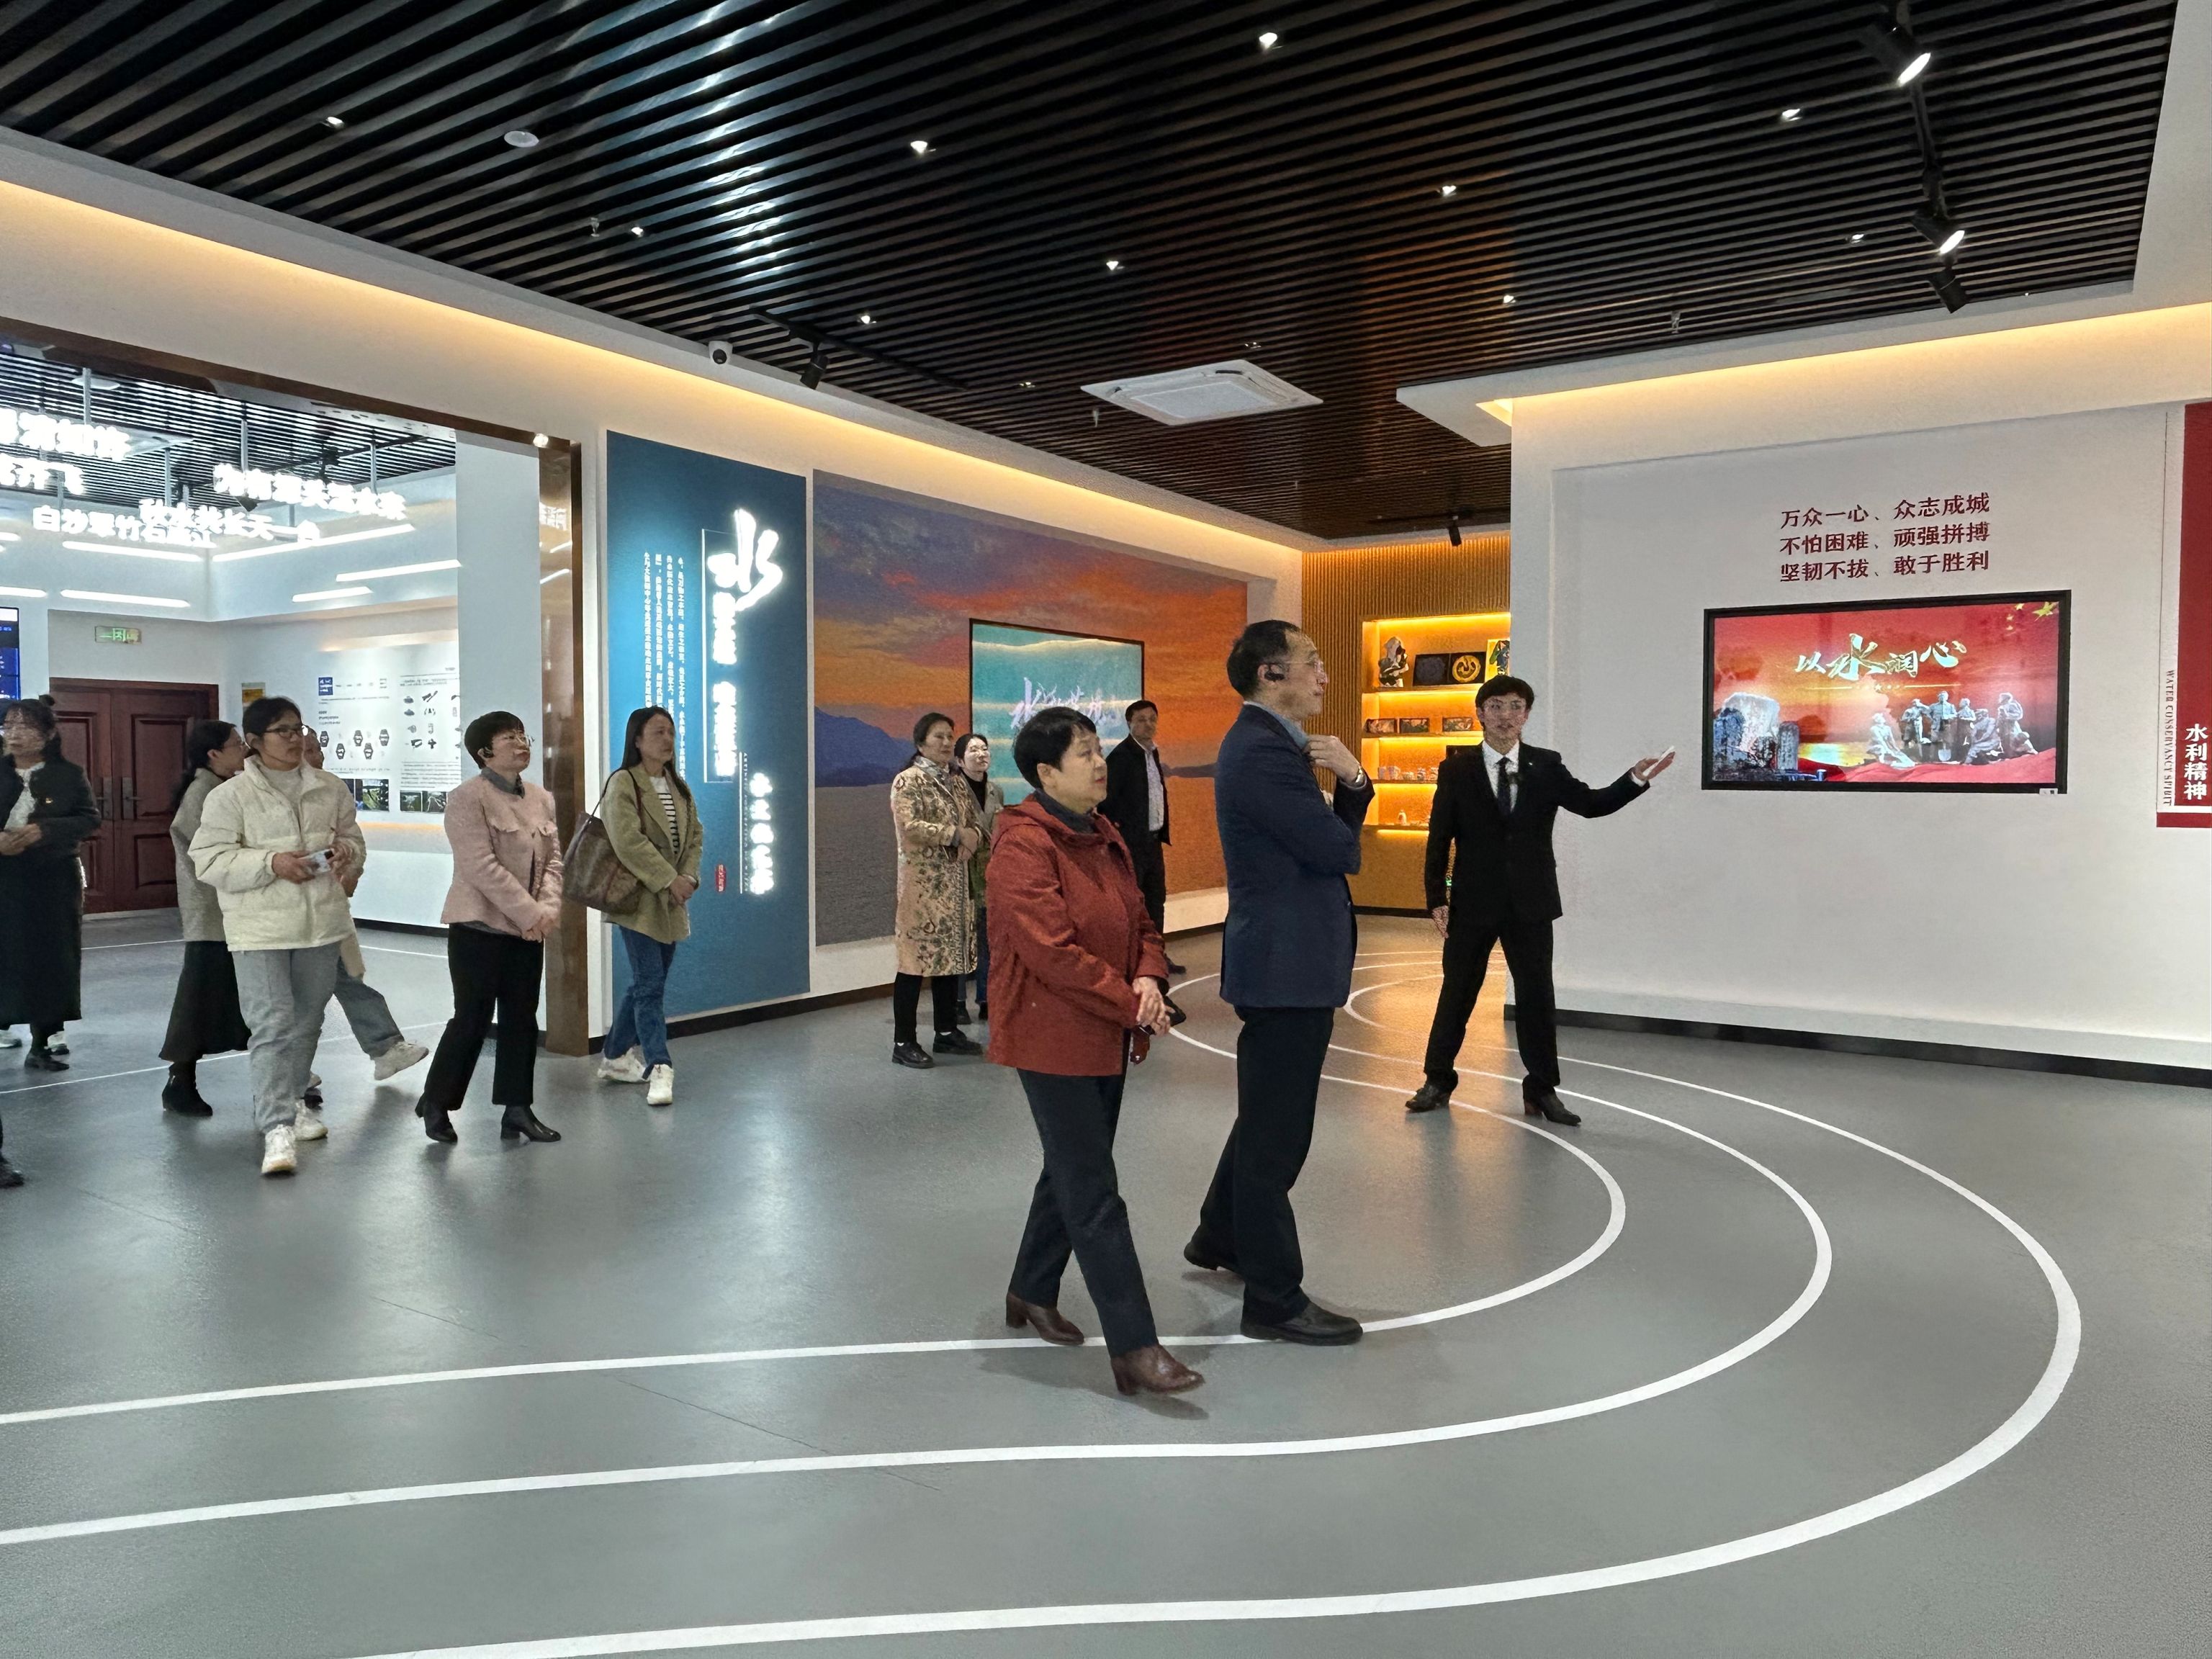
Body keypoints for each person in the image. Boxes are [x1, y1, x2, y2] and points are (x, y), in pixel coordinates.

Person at [989, 705, 1201, 1398]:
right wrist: (1133, 1001)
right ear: (1046, 773)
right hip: (1051, 1036)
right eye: (1082, 753)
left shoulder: (1103, 833)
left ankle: (1030, 1287)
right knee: (1094, 1190)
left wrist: (1149, 977)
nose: (1099, 761)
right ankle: (1135, 1346)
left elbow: (1141, 921)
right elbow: (1051, 952)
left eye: (1096, 748)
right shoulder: (1023, 846)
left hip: (1105, 1030)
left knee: (1072, 1168)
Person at [1184, 621, 1374, 1346]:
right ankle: (1273, 1299)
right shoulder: (1264, 752)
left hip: (1286, 964)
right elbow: (1337, 850)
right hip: (1285, 967)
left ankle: (1218, 1234)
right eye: (1312, 663)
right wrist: (1355, 782)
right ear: (1271, 674)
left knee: (1265, 1116)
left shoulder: (1269, 746)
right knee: (1277, 1138)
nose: (1324, 676)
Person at [1404, 675, 1672, 1126]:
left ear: (1526, 714)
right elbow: (1439, 838)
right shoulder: (1457, 769)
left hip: (1531, 902)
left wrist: (1634, 780)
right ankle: (1437, 1080)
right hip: (1472, 902)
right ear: (1480, 713)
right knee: (1457, 993)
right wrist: (1437, 897)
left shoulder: (1546, 765)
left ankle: (1542, 1088)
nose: (1505, 715)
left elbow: (1591, 804)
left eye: (1515, 706)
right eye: (1495, 706)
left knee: (1536, 997)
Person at [189, 696, 364, 1176]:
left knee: (307, 1022)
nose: (294, 738)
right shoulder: (230, 796)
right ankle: (276, 1128)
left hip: (321, 925)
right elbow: (209, 860)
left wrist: (346, 854)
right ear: (254, 741)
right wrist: (272, 863)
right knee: (271, 1026)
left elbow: (354, 838)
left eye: (298, 728)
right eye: (282, 730)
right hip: (260, 929)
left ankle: (293, 1102)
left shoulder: (329, 787)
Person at [414, 711, 563, 1144]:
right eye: (509, 738)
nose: (522, 743)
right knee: (472, 1019)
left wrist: (547, 910)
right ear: (484, 753)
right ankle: (437, 1102)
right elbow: (481, 867)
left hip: (528, 931)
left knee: (522, 1020)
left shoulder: (541, 798)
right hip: (479, 928)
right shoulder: (467, 798)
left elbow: (553, 861)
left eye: (523, 735)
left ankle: (517, 1109)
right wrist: (531, 915)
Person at [298, 727, 428, 1097]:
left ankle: (385, 1048)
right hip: (288, 920)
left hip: (328, 911)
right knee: (301, 1001)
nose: (319, 756)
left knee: (346, 978)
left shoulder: (332, 789)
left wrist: (350, 867)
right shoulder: (258, 796)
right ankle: (293, 1073)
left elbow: (351, 840)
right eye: (310, 750)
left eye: (318, 748)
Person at [596, 706, 702, 1108]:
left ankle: (614, 1056)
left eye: (671, 732)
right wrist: (669, 880)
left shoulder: (679, 787)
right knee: (650, 984)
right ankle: (659, 1064)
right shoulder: (624, 782)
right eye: (658, 732)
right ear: (637, 740)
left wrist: (687, 877)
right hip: (639, 900)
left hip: (671, 901)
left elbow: (695, 837)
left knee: (647, 982)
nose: (667, 739)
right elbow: (628, 842)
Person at [0, 696, 99, 1079]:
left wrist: (44, 830)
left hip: (52, 879)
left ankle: (44, 1039)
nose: (15, 734)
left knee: (51, 956)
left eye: (25, 726)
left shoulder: (68, 774)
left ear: (48, 733)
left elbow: (89, 818)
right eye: (9, 726)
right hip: (4, 878)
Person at [161, 719, 253, 1115]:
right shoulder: (203, 793)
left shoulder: (221, 787)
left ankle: (290, 1082)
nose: (244, 750)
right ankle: (180, 1081)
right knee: (199, 1000)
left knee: (251, 1001)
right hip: (214, 916)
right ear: (214, 754)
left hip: (231, 913)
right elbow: (207, 858)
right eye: (237, 744)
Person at [888, 712, 983, 1068]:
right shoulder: (908, 781)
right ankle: (903, 1041)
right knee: (914, 963)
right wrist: (955, 835)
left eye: (949, 736)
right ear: (920, 742)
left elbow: (974, 822)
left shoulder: (955, 781)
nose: (946, 743)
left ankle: (946, 1032)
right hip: (922, 888)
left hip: (956, 887)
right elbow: (910, 826)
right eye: (938, 736)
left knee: (949, 960)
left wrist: (973, 838)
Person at [1104, 698, 1189, 986]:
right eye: (1141, 720)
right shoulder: (1120, 757)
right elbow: (1107, 804)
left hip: (1153, 843)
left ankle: (1157, 956)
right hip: (1131, 846)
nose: (1148, 724)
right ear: (1129, 723)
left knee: (1156, 901)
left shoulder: (1152, 753)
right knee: (1133, 905)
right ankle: (1134, 961)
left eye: (1152, 719)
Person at [950, 732, 1002, 1025]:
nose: (981, 754)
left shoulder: (996, 791)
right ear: (960, 760)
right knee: (962, 939)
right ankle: (958, 1002)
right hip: (962, 871)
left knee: (987, 939)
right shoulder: (952, 790)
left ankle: (986, 998)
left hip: (990, 875)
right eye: (973, 750)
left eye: (984, 749)